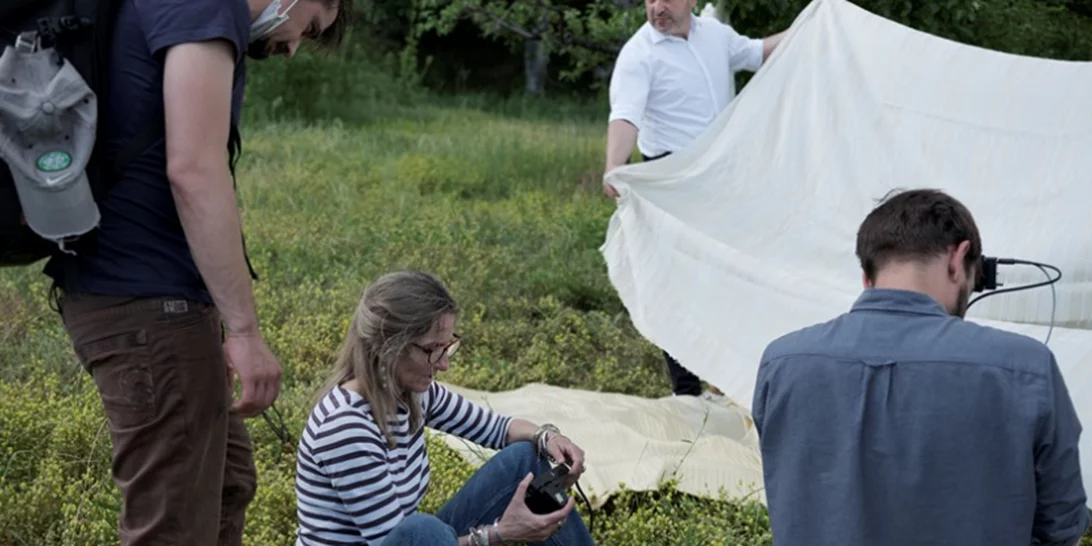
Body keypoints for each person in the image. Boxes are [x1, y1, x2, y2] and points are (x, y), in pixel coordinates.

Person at [45, 0, 352, 544]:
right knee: (175, 527)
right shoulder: (207, 7)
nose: (292, 47)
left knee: (228, 485)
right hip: (147, 303)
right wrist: (246, 333)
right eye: (308, 27)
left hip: (146, 297)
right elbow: (193, 168)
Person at [752, 188, 1089, 546]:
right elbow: (1060, 523)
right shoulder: (1026, 368)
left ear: (867, 276)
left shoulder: (782, 364)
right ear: (957, 260)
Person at [295, 270, 597, 546]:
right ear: (388, 346)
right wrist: (499, 534)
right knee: (423, 530)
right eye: (431, 350)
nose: (444, 363)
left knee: (525, 455)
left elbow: (497, 429)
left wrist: (549, 438)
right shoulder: (345, 428)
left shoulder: (410, 392)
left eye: (447, 345)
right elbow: (397, 541)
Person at [601, 0, 788, 399]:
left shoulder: (715, 35)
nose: (657, 7)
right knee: (675, 281)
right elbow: (626, 115)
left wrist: (816, 21)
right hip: (672, 176)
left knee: (726, 273)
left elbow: (757, 53)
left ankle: (725, 377)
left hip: (720, 174)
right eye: (650, 0)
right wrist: (613, 165)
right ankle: (686, 391)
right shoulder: (639, 54)